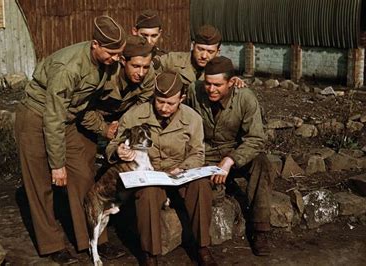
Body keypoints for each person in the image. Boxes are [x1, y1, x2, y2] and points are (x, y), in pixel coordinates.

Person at [14, 15, 126, 264]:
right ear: (95, 44)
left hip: (64, 119)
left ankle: (93, 239)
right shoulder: (69, 68)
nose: (116, 59)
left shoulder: (105, 64)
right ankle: (52, 244)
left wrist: (105, 128)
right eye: (112, 53)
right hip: (36, 117)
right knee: (40, 183)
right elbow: (52, 116)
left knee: (84, 177)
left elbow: (81, 106)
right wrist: (57, 164)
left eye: (119, 53)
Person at [106, 72, 218, 266]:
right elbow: (113, 144)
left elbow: (198, 153)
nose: (164, 108)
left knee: (201, 185)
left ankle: (202, 247)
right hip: (151, 175)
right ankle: (151, 254)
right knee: (147, 193)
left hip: (180, 173)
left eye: (171, 103)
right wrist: (118, 150)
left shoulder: (192, 118)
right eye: (160, 102)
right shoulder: (136, 114)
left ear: (181, 99)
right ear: (153, 97)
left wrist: (182, 168)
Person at [186, 56, 275, 256]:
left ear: (231, 82)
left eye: (218, 85)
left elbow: (256, 139)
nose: (211, 89)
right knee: (209, 193)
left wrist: (231, 159)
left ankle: (260, 229)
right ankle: (201, 242)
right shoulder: (194, 90)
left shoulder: (245, 97)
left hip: (234, 151)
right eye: (208, 83)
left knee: (263, 164)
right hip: (205, 153)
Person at [80, 35, 156, 142]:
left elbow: (141, 106)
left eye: (146, 67)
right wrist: (104, 129)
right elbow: (83, 108)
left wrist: (122, 125)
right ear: (123, 60)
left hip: (124, 119)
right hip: (92, 119)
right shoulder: (101, 74)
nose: (141, 73)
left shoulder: (149, 75)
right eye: (136, 66)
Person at [156, 24, 244, 89]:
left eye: (210, 51)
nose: (204, 56)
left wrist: (233, 81)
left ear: (218, 52)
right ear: (193, 46)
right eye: (200, 49)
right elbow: (149, 70)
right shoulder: (172, 60)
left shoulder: (223, 69)